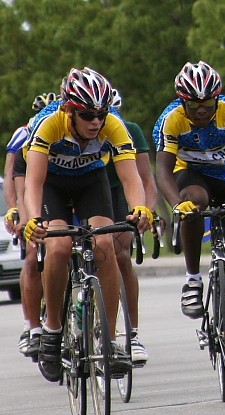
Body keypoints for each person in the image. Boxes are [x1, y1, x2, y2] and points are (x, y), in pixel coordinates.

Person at [23, 67, 152, 382]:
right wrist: (33, 220)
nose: (96, 121)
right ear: (69, 110)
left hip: (91, 181)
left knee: (104, 243)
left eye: (101, 114)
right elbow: (34, 183)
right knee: (59, 246)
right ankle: (52, 331)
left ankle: (108, 341)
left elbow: (130, 177)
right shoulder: (49, 124)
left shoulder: (113, 125)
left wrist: (140, 209)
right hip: (52, 184)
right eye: (88, 115)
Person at [154, 61, 225, 344]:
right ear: (181, 102)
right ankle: (192, 279)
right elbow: (162, 171)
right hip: (193, 176)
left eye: (208, 104)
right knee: (194, 202)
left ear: (217, 99)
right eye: (193, 105)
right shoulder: (171, 119)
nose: (201, 110)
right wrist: (177, 204)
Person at [105, 88, 159, 364]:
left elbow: (146, 179)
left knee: (120, 255)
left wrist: (146, 211)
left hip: (116, 192)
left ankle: (132, 334)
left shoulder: (129, 130)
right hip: (81, 189)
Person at [4, 92, 57, 359]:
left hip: (60, 194)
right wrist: (17, 210)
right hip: (32, 194)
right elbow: (15, 177)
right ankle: (32, 326)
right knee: (33, 258)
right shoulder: (25, 134)